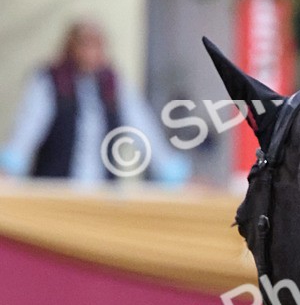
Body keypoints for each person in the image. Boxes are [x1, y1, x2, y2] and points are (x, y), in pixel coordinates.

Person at [0, 20, 189, 184]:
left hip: (101, 193)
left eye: (96, 45)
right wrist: (9, 168)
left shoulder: (114, 84)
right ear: (71, 46)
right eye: (84, 44)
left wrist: (172, 174)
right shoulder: (49, 81)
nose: (90, 52)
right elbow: (29, 127)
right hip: (56, 190)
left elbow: (143, 128)